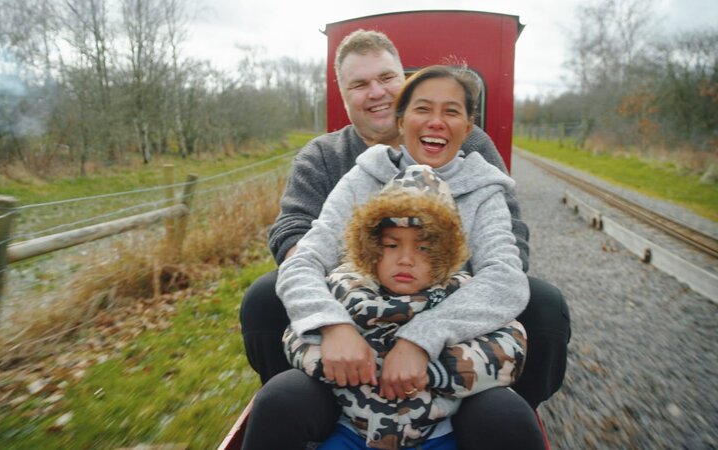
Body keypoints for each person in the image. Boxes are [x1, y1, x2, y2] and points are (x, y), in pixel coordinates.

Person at [240, 29, 569, 449]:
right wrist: (336, 316)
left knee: (544, 307)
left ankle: (505, 407)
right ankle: (315, 408)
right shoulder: (347, 166)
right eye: (360, 84)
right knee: (265, 299)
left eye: (386, 78)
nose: (376, 92)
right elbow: (298, 241)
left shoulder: (478, 167)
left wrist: (428, 319)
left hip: (452, 321)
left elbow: (508, 259)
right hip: (357, 315)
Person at [283, 164, 528, 449]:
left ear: (445, 252)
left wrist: (434, 370)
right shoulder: (348, 288)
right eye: (391, 245)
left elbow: (512, 345)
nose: (406, 259)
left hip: (435, 435)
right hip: (353, 434)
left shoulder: (460, 294)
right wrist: (343, 360)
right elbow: (294, 335)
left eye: (423, 248)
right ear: (371, 247)